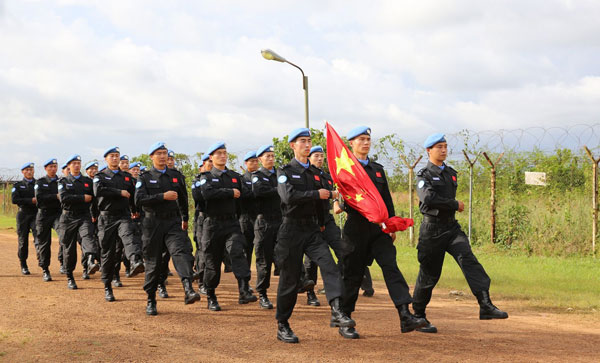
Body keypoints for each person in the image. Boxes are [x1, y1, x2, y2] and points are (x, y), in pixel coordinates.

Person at [412, 133, 508, 333]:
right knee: (429, 274)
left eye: (446, 146)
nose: (444, 150)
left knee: (469, 259)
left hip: (451, 228)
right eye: (439, 147)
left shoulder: (451, 173)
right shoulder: (423, 175)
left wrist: (452, 208)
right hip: (432, 230)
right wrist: (455, 204)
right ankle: (418, 315)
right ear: (429, 150)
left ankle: (485, 305)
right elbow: (428, 198)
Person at [338, 126, 426, 339]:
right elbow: (344, 202)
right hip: (356, 229)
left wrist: (390, 226)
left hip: (378, 230)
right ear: (351, 143)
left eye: (368, 139)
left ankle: (405, 315)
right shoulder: (346, 170)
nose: (366, 143)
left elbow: (387, 200)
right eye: (361, 139)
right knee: (353, 275)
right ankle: (345, 319)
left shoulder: (377, 169)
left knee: (391, 268)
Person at [275, 128, 354, 344]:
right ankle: (283, 324)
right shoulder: (285, 172)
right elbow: (288, 197)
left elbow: (323, 201)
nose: (307, 145)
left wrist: (321, 221)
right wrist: (315, 194)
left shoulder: (316, 174)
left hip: (312, 230)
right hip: (290, 231)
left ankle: (338, 311)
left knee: (329, 266)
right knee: (290, 281)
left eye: (309, 141)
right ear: (293, 145)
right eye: (303, 141)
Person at [135, 142, 200, 315]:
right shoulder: (145, 177)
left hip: (173, 222)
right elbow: (139, 200)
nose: (163, 156)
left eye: (165, 153)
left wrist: (185, 218)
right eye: (159, 153)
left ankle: (188, 289)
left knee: (181, 252)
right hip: (152, 224)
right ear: (152, 157)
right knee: (153, 263)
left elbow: (183, 199)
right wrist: (162, 196)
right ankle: (151, 299)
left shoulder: (176, 175)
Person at [199, 142, 256, 311]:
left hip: (231, 223)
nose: (223, 156)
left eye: (224, 153)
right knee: (213, 263)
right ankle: (211, 295)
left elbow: (246, 195)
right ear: (211, 157)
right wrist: (229, 192)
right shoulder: (206, 177)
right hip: (212, 224)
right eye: (219, 153)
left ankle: (244, 288)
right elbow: (207, 194)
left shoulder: (234, 176)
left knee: (238, 252)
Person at [301, 145, 350, 307]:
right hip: (312, 221)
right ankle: (311, 292)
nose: (320, 159)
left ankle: (340, 286)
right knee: (311, 260)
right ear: (309, 157)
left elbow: (334, 195)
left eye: (322, 156)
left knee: (344, 250)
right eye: (316, 156)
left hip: (327, 220)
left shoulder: (327, 177)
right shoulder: (305, 176)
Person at [94, 146, 145, 302]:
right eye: (112, 156)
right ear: (106, 159)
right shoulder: (100, 176)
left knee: (129, 235)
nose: (115, 158)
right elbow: (98, 191)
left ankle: (135, 260)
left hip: (123, 216)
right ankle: (107, 286)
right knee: (108, 254)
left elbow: (132, 196)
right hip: (106, 218)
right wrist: (118, 192)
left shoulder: (126, 177)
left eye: (117, 156)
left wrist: (135, 209)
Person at [57, 154, 99, 290]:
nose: (76, 165)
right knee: (69, 250)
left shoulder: (87, 181)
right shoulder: (63, 182)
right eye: (74, 163)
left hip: (84, 216)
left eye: (78, 163)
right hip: (68, 218)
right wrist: (82, 198)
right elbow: (64, 198)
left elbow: (94, 198)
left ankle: (90, 260)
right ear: (69, 166)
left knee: (88, 236)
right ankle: (70, 276)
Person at [251, 144, 281, 309]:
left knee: (286, 255)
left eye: (272, 156)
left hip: (281, 221)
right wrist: (279, 189)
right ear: (260, 159)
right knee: (264, 260)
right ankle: (262, 293)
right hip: (264, 223)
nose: (270, 159)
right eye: (267, 156)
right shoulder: (257, 176)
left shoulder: (280, 174)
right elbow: (259, 192)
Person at [34, 158, 62, 282]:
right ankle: (45, 269)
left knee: (64, 236)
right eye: (50, 167)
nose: (53, 169)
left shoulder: (61, 181)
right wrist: (55, 196)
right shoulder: (40, 182)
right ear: (46, 168)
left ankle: (64, 264)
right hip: (43, 215)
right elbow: (39, 198)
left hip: (57, 214)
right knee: (45, 243)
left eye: (55, 166)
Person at [12, 162, 38, 275]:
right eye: (27, 170)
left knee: (39, 237)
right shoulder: (17, 185)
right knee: (23, 241)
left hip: (36, 214)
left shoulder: (38, 183)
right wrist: (30, 200)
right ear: (23, 172)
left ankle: (42, 260)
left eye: (31, 169)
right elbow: (15, 200)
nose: (29, 172)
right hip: (23, 215)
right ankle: (23, 264)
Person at [191, 154, 211, 294]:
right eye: (208, 162)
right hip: (202, 219)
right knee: (202, 249)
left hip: (216, 219)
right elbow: (199, 197)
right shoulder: (198, 181)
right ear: (202, 166)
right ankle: (201, 280)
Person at [239, 151, 259, 280]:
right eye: (252, 161)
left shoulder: (262, 177)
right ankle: (246, 281)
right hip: (246, 219)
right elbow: (244, 196)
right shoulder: (242, 179)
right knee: (246, 250)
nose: (255, 163)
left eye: (256, 161)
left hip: (260, 218)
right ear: (246, 163)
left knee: (261, 250)